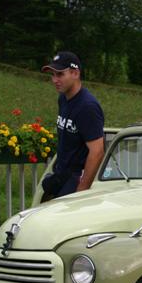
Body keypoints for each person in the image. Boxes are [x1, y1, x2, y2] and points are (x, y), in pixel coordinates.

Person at [41, 51, 105, 197]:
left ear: (75, 73)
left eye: (60, 74)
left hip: (75, 179)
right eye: (53, 75)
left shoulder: (87, 106)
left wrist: (81, 191)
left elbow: (97, 151)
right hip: (61, 175)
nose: (54, 80)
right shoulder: (63, 99)